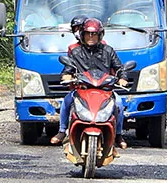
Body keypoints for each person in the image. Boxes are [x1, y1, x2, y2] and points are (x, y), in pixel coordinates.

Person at [50, 18, 129, 148]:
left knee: (119, 103)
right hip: (82, 89)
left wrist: (123, 78)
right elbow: (68, 68)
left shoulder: (108, 50)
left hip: (105, 90)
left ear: (100, 35)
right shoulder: (76, 52)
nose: (91, 37)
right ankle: (62, 131)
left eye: (94, 34)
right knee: (66, 101)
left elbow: (119, 67)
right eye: (88, 34)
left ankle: (119, 135)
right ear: (82, 35)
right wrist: (66, 76)